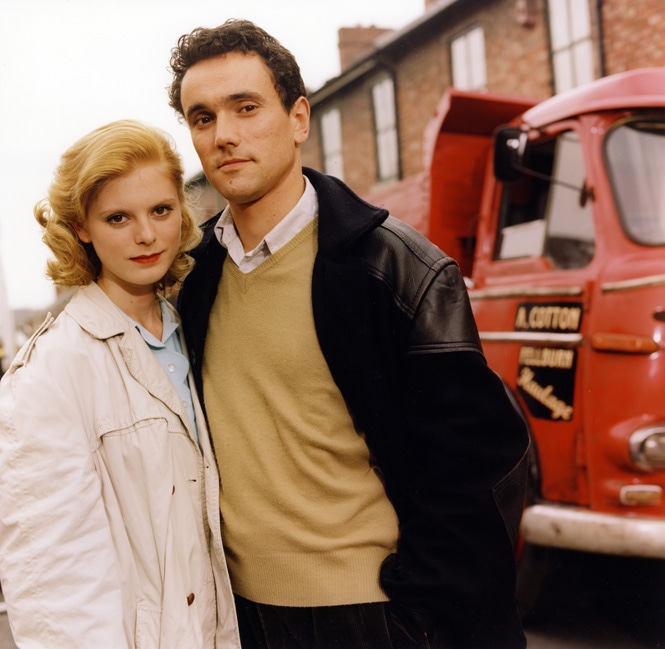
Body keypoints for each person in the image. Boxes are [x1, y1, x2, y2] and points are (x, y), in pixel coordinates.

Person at [168, 19, 530, 649]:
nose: (223, 134)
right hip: (240, 618)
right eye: (203, 118)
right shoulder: (191, 279)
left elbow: (479, 461)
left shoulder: (394, 266)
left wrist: (420, 604)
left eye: (246, 107)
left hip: (373, 612)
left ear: (298, 118)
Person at [0, 120, 241, 649]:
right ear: (81, 228)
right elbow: (55, 590)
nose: (146, 235)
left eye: (161, 210)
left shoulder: (193, 330)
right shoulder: (51, 370)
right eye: (117, 218)